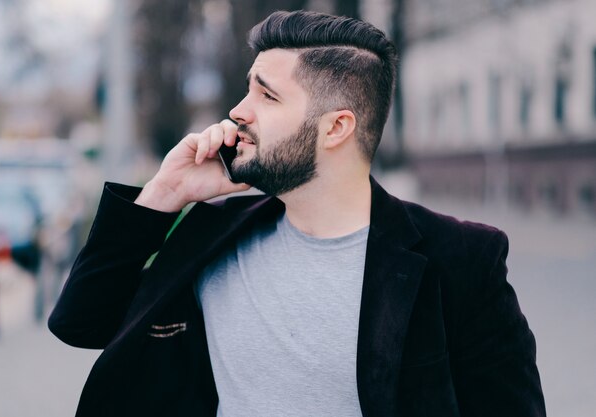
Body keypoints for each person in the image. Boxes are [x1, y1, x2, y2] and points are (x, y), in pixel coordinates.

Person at [49, 10, 546, 417]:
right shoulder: (213, 233)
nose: (238, 111)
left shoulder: (459, 259)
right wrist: (163, 194)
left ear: (336, 128)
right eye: (248, 90)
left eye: (266, 95)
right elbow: (81, 324)